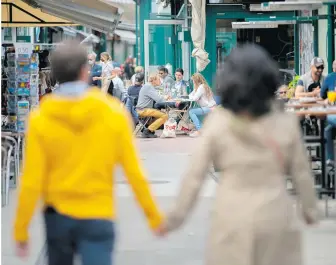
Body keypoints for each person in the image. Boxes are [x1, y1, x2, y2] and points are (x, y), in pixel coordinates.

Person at [156, 44, 317, 265]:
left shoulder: (218, 124)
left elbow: (194, 176)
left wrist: (174, 219)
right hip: (275, 216)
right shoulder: (284, 122)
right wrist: (310, 210)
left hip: (230, 217)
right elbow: (301, 172)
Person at [13, 41, 163, 265]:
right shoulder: (112, 113)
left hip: (57, 216)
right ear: (85, 71)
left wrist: (21, 230)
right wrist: (153, 217)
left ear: (54, 74)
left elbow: (32, 179)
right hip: (98, 212)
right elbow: (134, 171)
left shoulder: (40, 118)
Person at [188, 73, 217, 137]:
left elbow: (195, 98)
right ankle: (202, 129)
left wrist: (192, 96)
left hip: (209, 108)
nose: (193, 82)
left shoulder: (201, 87)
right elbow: (190, 95)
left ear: (196, 81)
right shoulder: (201, 86)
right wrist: (191, 96)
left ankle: (200, 130)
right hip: (209, 107)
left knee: (191, 111)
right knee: (193, 110)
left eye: (193, 81)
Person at [320, 59, 336, 165]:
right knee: (327, 129)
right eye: (334, 65)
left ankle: (330, 159)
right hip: (333, 110)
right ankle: (330, 159)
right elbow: (322, 95)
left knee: (328, 127)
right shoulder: (330, 78)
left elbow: (322, 95)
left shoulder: (329, 77)